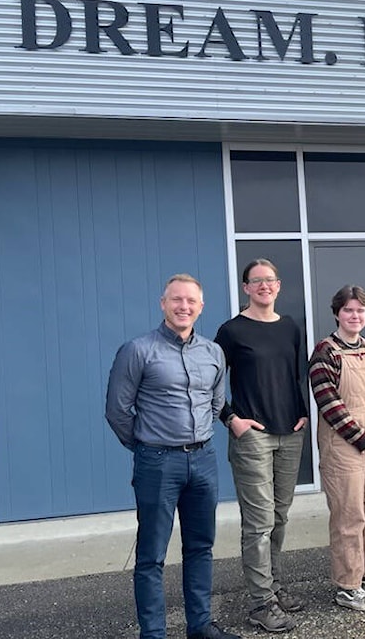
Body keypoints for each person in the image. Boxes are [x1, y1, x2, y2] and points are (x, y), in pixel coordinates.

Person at [105, 274, 239, 639]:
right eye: (176, 300)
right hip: (158, 462)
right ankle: (154, 633)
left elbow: (215, 403)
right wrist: (147, 446)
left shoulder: (213, 352)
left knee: (201, 547)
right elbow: (118, 410)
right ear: (163, 304)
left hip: (203, 461)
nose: (184, 307)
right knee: (151, 555)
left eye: (191, 301)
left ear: (201, 307)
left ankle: (199, 627)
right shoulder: (138, 350)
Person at [214, 259, 308, 633]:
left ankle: (274, 587)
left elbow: (294, 373)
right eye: (257, 281)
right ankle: (260, 603)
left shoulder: (289, 327)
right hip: (253, 435)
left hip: (290, 431)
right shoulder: (231, 331)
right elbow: (209, 379)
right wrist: (230, 418)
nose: (264, 286)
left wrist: (301, 412)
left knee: (279, 517)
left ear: (279, 286)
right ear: (246, 288)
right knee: (259, 521)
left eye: (270, 280)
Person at [309, 285, 365, 611]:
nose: (355, 315)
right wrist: (361, 437)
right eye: (348, 310)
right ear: (337, 313)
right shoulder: (325, 353)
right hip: (343, 443)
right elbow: (328, 402)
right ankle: (348, 584)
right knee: (349, 515)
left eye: (360, 310)